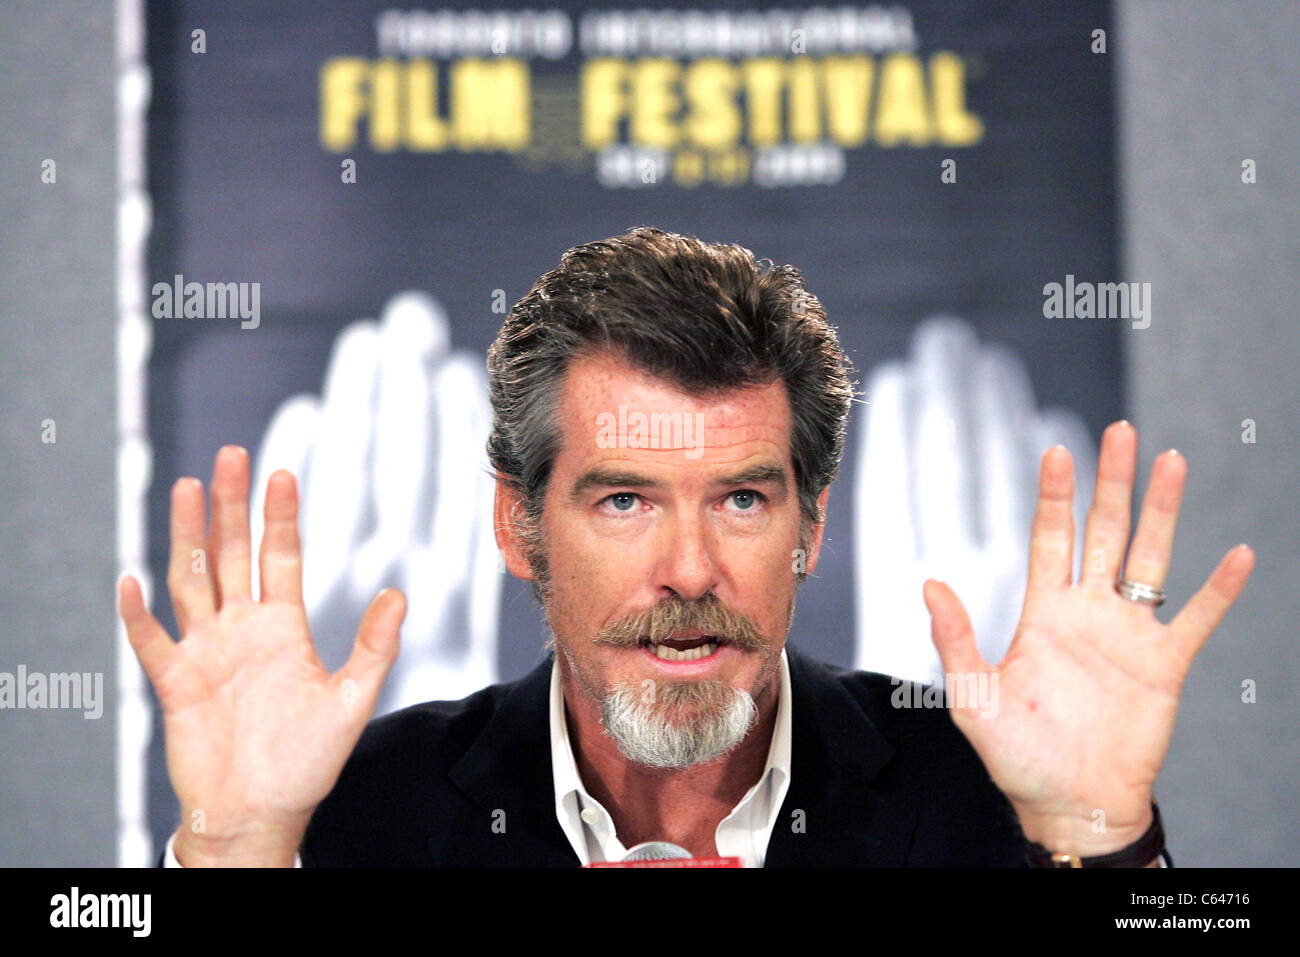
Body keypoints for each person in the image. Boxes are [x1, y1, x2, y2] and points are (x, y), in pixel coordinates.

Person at [119, 226, 1255, 867]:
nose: (691, 571)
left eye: (743, 502)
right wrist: (233, 853)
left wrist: (1100, 842)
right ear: (519, 524)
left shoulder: (988, 803)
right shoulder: (353, 820)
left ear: (811, 525)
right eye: (624, 501)